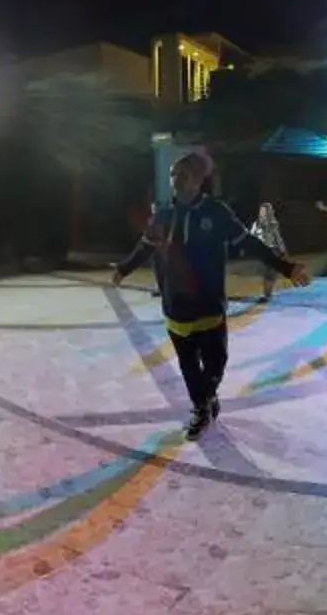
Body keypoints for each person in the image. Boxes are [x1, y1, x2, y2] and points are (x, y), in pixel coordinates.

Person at [113, 151, 309, 437]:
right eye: (172, 175)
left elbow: (250, 243)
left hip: (209, 305)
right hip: (175, 306)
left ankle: (206, 397)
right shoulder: (163, 215)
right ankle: (201, 408)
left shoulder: (216, 213)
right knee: (188, 365)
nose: (176, 181)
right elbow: (144, 247)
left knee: (216, 362)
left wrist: (286, 267)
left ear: (197, 180)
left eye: (183, 175)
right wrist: (123, 269)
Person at [248, 202, 290, 303]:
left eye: (266, 211)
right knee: (266, 273)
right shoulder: (256, 224)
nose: (264, 213)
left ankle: (267, 294)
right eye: (262, 211)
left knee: (271, 273)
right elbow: (251, 236)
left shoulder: (273, 224)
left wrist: (283, 250)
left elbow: (278, 238)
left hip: (273, 250)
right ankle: (266, 293)